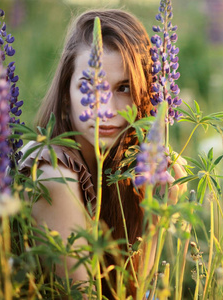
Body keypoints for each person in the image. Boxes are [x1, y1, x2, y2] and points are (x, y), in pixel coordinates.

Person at [19, 9, 187, 297]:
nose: (105, 109)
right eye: (90, 87)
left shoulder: (121, 169)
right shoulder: (53, 175)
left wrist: (156, 219)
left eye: (123, 88)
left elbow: (130, 291)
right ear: (65, 93)